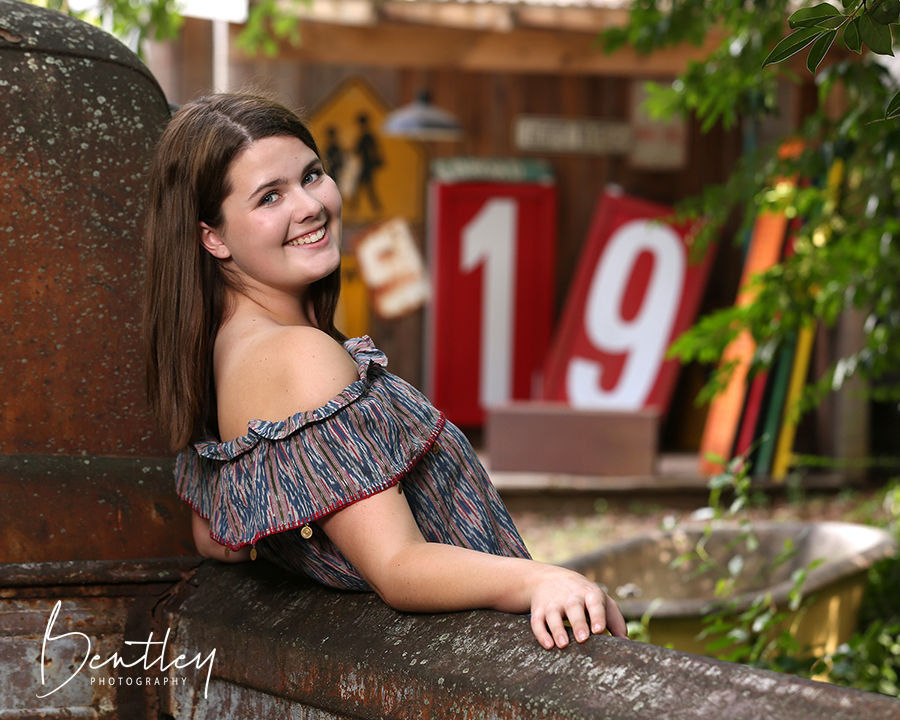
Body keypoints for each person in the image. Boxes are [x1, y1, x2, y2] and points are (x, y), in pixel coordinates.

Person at [142, 92, 627, 651]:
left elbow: (220, 537)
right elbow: (397, 565)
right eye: (270, 197)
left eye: (313, 175)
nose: (309, 206)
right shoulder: (297, 357)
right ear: (214, 237)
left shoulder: (220, 354)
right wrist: (543, 577)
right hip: (462, 664)